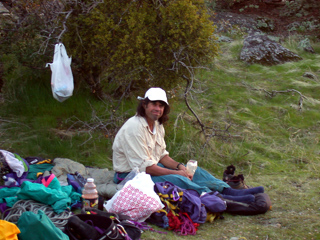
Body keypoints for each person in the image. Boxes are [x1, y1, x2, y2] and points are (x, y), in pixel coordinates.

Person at [112, 87, 264, 203]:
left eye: (161, 105)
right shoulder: (135, 127)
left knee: (194, 171)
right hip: (130, 177)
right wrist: (177, 174)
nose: (157, 109)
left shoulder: (157, 125)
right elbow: (146, 168)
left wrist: (180, 167)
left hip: (149, 170)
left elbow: (163, 156)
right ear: (144, 105)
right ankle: (219, 198)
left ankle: (228, 190)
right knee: (179, 180)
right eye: (153, 104)